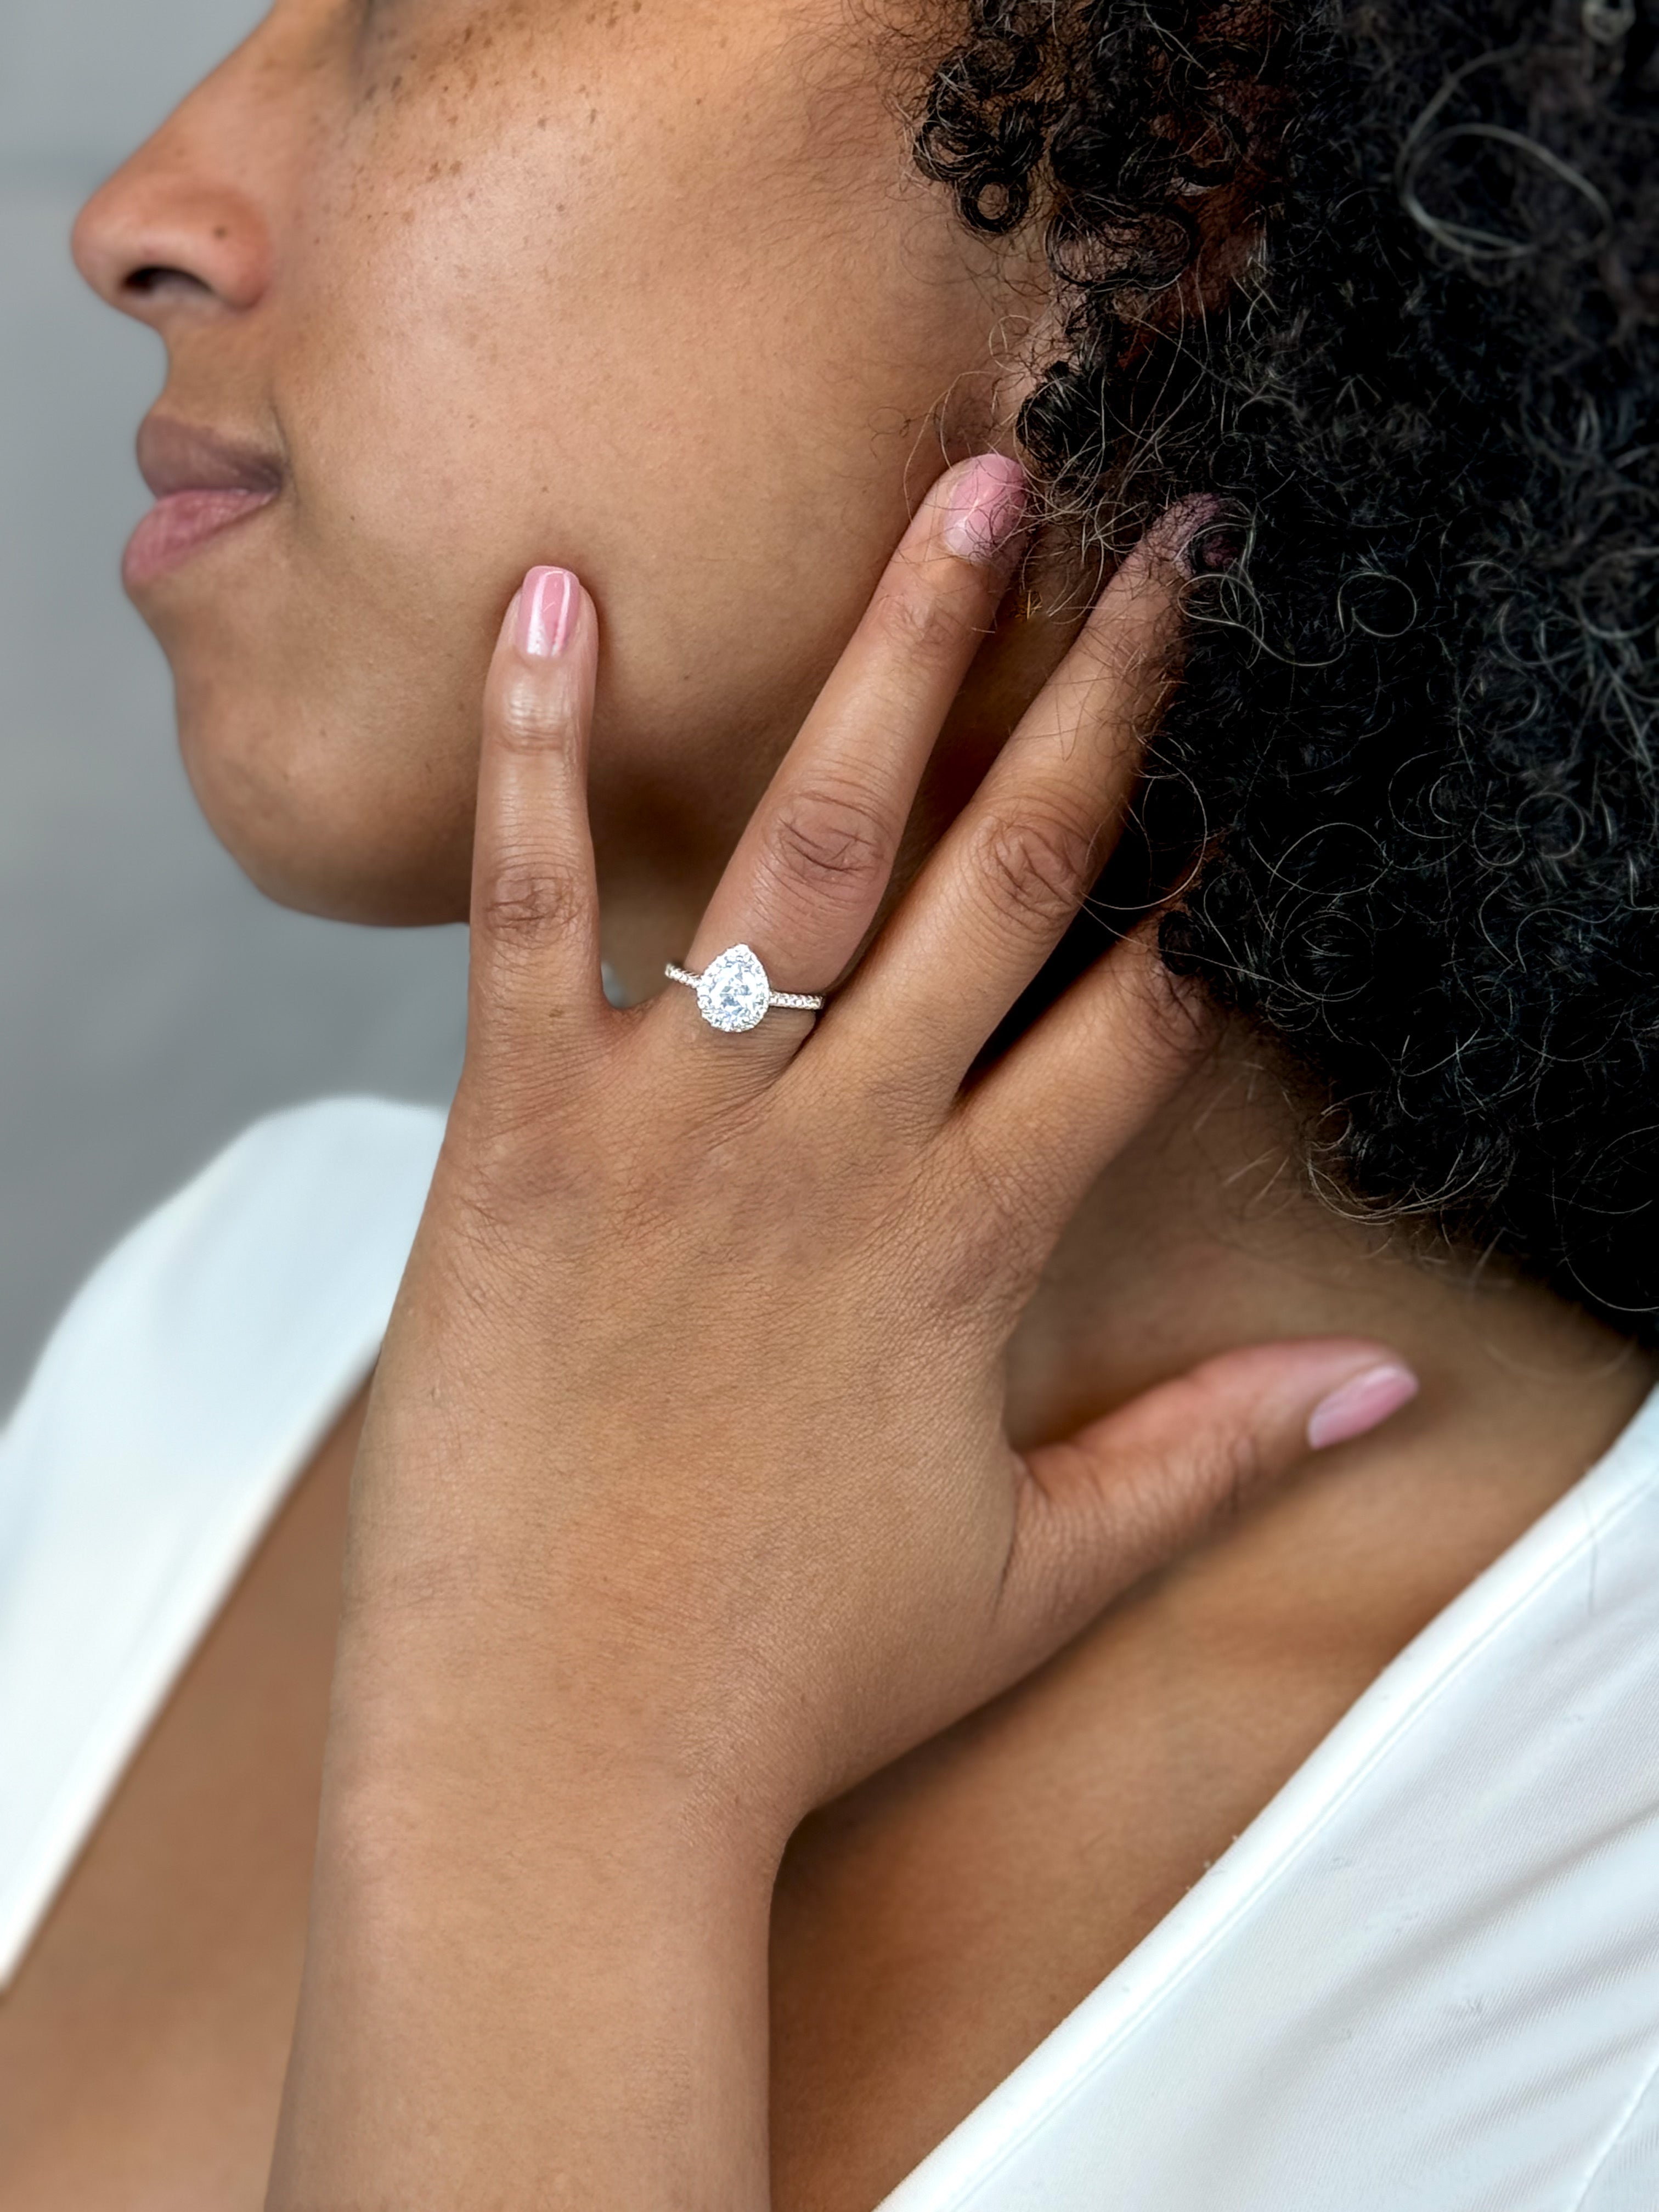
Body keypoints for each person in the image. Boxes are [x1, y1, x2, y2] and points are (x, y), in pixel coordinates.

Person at [2, 0, 1657, 2204]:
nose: (143, 223)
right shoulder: (232, 1330)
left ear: (1186, 186)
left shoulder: (1603, 1911)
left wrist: (565, 1771)